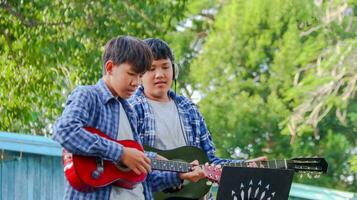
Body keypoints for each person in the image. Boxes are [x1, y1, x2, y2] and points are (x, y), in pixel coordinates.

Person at [128, 38, 267, 199]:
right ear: (140, 74)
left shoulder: (189, 109)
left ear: (174, 71)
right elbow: (124, 156)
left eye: (165, 67)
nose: (160, 74)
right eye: (152, 69)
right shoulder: (131, 108)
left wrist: (244, 166)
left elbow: (209, 161)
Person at [52, 36, 184, 200]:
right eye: (131, 74)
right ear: (110, 67)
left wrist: (180, 175)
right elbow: (64, 130)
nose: (136, 83)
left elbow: (140, 179)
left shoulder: (129, 111)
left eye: (140, 76)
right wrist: (120, 153)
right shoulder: (89, 96)